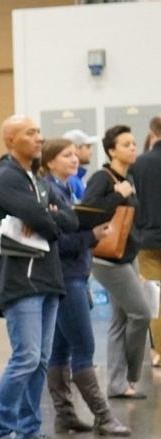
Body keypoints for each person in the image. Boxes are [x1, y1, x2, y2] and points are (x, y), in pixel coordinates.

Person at [0, 116, 69, 439]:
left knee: (40, 360)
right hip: (19, 280)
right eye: (31, 133)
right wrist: (45, 217)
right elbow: (45, 219)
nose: (39, 138)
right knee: (26, 357)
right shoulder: (5, 177)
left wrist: (47, 217)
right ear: (10, 140)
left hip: (46, 277)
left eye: (39, 132)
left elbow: (67, 218)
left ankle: (29, 430)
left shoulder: (37, 178)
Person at [39, 138, 130, 437]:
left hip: (73, 274)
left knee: (60, 349)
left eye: (74, 154)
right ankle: (103, 416)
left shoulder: (66, 189)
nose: (74, 158)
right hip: (67, 277)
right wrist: (92, 236)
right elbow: (60, 241)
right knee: (83, 348)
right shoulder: (51, 192)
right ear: (50, 161)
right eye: (66, 155)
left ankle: (65, 415)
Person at [83, 124, 150, 399]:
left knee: (119, 320)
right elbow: (87, 212)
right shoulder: (102, 178)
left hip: (127, 256)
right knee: (141, 313)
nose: (133, 148)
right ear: (112, 151)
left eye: (134, 143)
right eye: (126, 144)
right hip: (108, 259)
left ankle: (116, 384)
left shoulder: (128, 177)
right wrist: (117, 196)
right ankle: (131, 375)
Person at [128, 115, 161, 369]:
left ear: (152, 133)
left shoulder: (138, 164)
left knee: (154, 299)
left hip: (147, 241)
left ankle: (158, 352)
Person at [63, 129, 97, 202]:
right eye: (88, 147)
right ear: (76, 149)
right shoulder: (70, 180)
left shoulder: (77, 178)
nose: (91, 152)